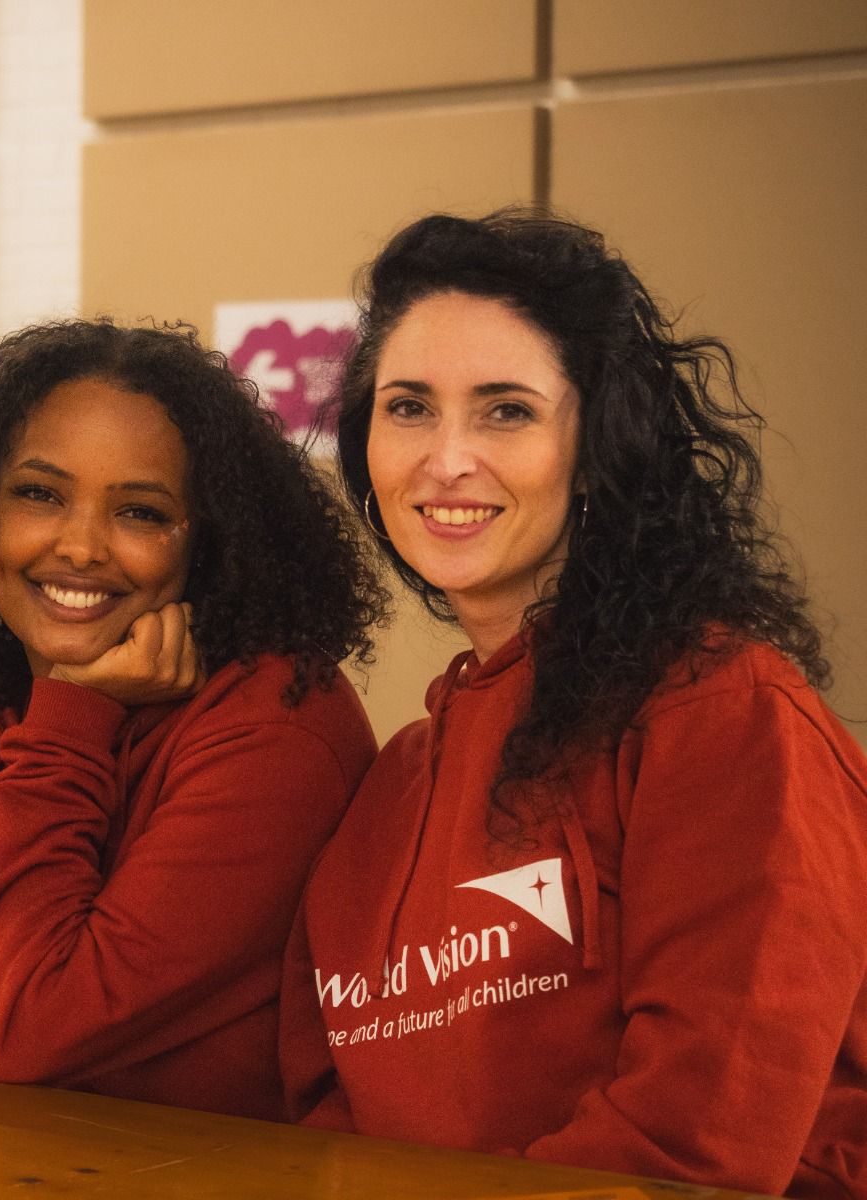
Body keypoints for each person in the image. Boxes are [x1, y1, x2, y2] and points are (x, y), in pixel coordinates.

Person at [280, 210, 867, 1197]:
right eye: (408, 406)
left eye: (504, 410)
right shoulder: (387, 788)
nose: (446, 457)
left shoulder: (722, 711)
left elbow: (694, 1149)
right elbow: (323, 1119)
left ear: (596, 447)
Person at [0, 318, 383, 1120]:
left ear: (204, 545)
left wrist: (76, 713)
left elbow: (29, 1031)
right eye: (39, 494)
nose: (79, 548)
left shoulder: (277, 731)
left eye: (140, 512)